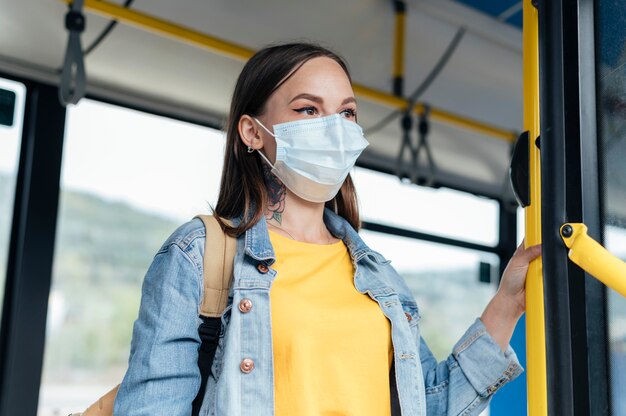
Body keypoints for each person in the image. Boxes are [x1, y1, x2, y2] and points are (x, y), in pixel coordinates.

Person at [113, 42, 541, 416]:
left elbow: (428, 405)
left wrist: (506, 304)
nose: (334, 128)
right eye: (308, 109)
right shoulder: (198, 256)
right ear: (251, 132)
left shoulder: (377, 276)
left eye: (347, 113)